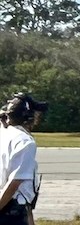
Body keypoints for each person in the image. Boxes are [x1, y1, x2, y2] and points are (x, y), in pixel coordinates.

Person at [0, 93, 42, 225]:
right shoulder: (25, 142)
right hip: (10, 210)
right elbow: (15, 182)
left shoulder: (4, 134)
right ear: (28, 116)